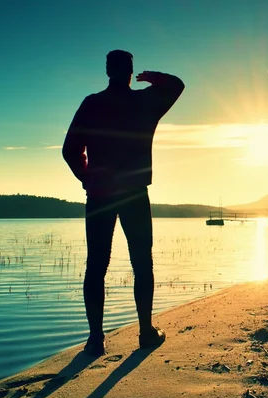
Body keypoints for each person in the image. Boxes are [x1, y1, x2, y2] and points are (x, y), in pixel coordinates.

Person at [62, 50, 184, 356]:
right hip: (134, 193)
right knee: (142, 263)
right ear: (130, 71)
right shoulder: (145, 101)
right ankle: (145, 333)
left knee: (96, 265)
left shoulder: (92, 103)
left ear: (107, 71)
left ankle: (95, 340)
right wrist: (153, 77)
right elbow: (177, 85)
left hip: (100, 194)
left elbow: (69, 150)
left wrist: (86, 177)